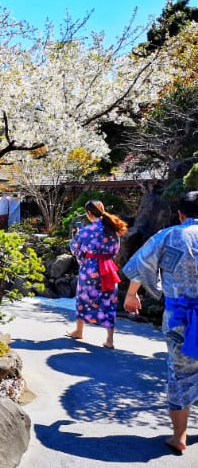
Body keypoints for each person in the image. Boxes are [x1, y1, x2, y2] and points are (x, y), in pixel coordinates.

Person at [123, 191, 198, 455]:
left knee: (180, 374)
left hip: (181, 319)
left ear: (180, 213)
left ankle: (179, 436)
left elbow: (143, 263)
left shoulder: (170, 235)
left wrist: (133, 294)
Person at [66, 200, 127, 349]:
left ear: (89, 214)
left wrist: (81, 256)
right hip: (107, 267)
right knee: (109, 301)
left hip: (90, 268)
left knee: (83, 299)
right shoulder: (112, 229)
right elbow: (115, 250)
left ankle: (79, 330)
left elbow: (75, 249)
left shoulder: (86, 231)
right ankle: (110, 340)